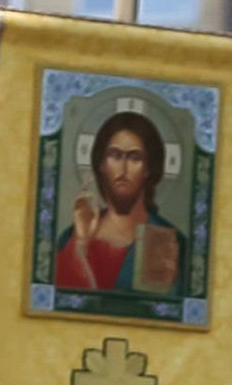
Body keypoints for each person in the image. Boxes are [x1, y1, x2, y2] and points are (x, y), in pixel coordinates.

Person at [53, 111, 180, 301]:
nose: (123, 168)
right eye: (115, 155)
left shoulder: (167, 241)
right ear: (102, 164)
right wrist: (79, 245)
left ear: (148, 168)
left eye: (135, 157)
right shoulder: (71, 238)